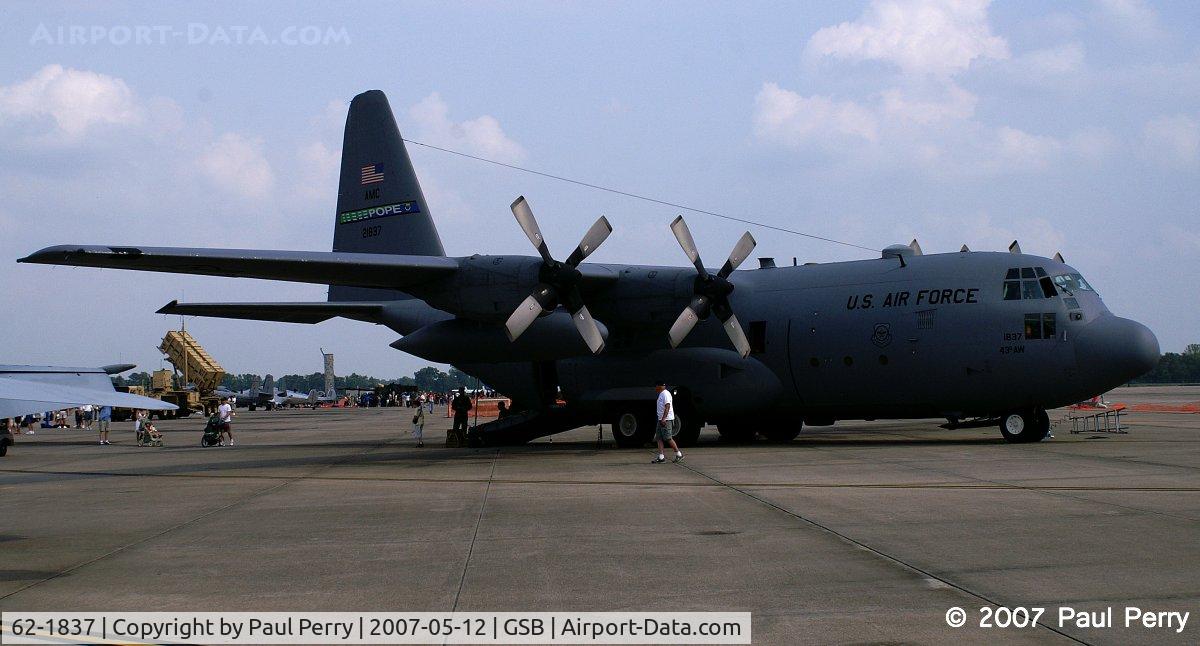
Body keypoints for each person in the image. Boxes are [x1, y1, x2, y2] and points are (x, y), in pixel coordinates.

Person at [652, 382, 683, 464]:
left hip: (666, 419)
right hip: (660, 419)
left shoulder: (665, 394)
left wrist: (664, 418)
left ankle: (678, 454)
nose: (655, 388)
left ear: (660, 386)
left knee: (668, 437)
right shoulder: (661, 394)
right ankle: (661, 457)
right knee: (659, 437)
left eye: (656, 386)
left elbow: (667, 406)